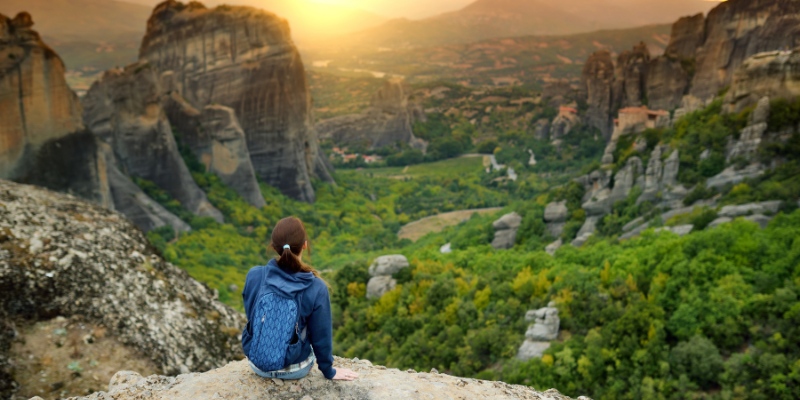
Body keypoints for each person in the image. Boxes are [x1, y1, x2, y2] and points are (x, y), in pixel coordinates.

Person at [241, 217, 359, 381]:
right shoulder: (316, 287)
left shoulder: (254, 275)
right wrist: (328, 370)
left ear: (274, 247)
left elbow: (252, 316)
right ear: (304, 244)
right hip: (295, 369)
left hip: (257, 366)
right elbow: (321, 335)